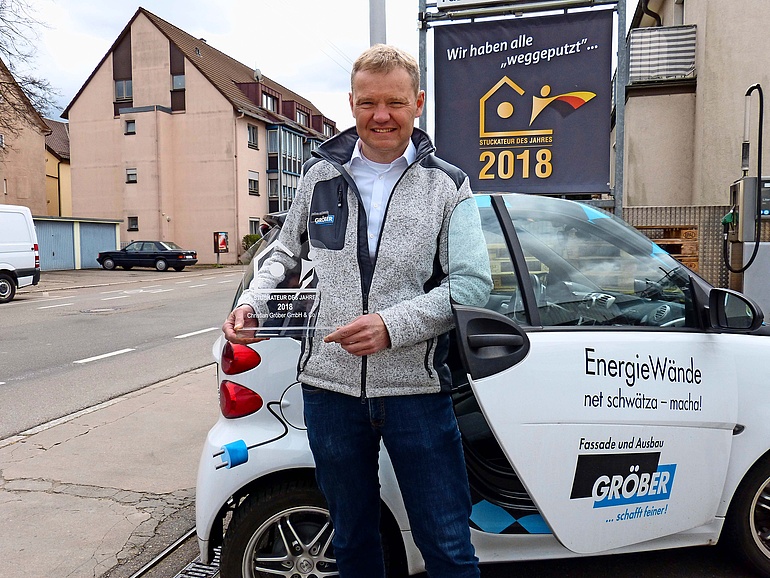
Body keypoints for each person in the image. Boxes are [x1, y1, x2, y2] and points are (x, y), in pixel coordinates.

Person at [223, 44, 489, 578]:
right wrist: (253, 301)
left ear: (417, 102)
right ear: (352, 103)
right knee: (353, 544)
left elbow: (473, 285)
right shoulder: (320, 176)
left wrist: (393, 326)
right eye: (369, 103)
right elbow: (283, 249)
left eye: (394, 102)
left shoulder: (448, 185)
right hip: (330, 393)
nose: (381, 116)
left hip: (416, 393)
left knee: (447, 546)